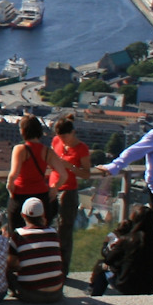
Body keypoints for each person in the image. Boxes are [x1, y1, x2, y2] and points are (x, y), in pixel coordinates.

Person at [47, 114, 93, 274]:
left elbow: (86, 174)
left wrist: (71, 167)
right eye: (60, 137)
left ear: (73, 133)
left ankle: (62, 268)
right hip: (53, 186)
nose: (63, 140)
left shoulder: (82, 149)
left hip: (68, 190)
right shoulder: (56, 141)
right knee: (45, 226)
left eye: (65, 137)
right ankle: (48, 263)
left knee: (64, 230)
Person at [89, 204, 153, 297]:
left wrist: (106, 245)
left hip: (126, 285)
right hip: (148, 286)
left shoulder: (127, 239)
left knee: (102, 265)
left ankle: (95, 295)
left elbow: (108, 259)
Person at [7, 197, 65, 303]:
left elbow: (10, 264)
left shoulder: (19, 234)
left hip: (31, 294)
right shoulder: (53, 232)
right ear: (43, 215)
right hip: (57, 293)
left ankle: (15, 293)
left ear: (23, 215)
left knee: (6, 271)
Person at [6, 115, 55, 230]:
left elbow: (13, 174)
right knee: (41, 232)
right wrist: (54, 188)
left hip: (20, 196)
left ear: (23, 131)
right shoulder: (47, 151)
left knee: (16, 234)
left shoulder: (20, 149)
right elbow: (63, 173)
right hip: (41, 196)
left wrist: (10, 190)